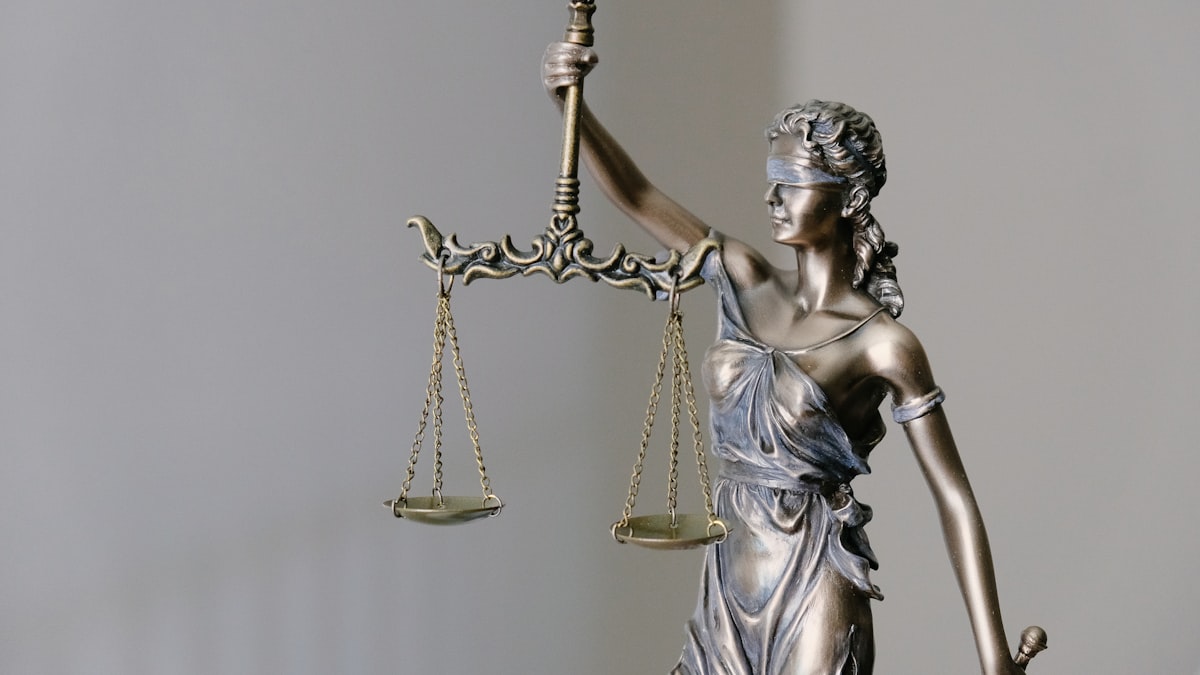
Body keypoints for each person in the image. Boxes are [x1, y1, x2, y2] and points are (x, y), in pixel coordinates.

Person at [543, 42, 1025, 675]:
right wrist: (571, 106)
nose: (772, 198)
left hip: (818, 579)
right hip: (728, 579)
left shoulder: (883, 343)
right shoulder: (742, 277)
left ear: (847, 200)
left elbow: (955, 497)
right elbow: (636, 194)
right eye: (771, 181)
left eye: (792, 183)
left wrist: (993, 657)